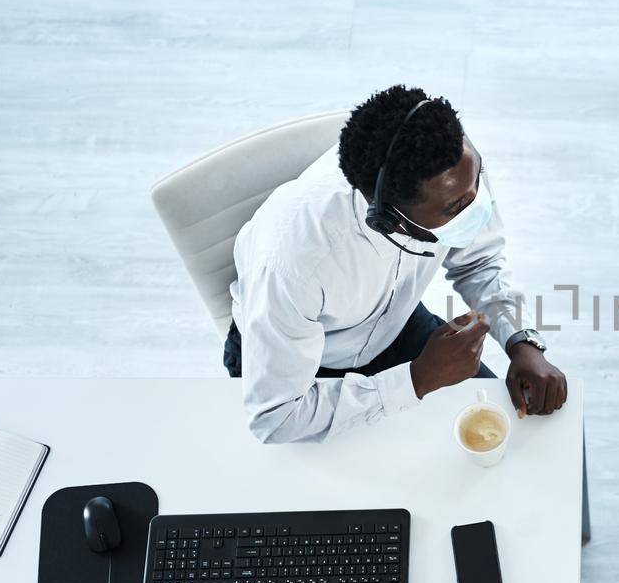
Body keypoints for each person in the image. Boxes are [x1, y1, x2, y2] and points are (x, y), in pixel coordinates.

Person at [224, 85, 567, 443]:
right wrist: (418, 379)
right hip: (305, 369)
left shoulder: (455, 168)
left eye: (476, 182)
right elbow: (277, 419)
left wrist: (521, 341)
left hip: (391, 325)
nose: (476, 206)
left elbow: (479, 262)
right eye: (454, 210)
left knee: (508, 439)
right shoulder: (293, 265)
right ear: (388, 221)